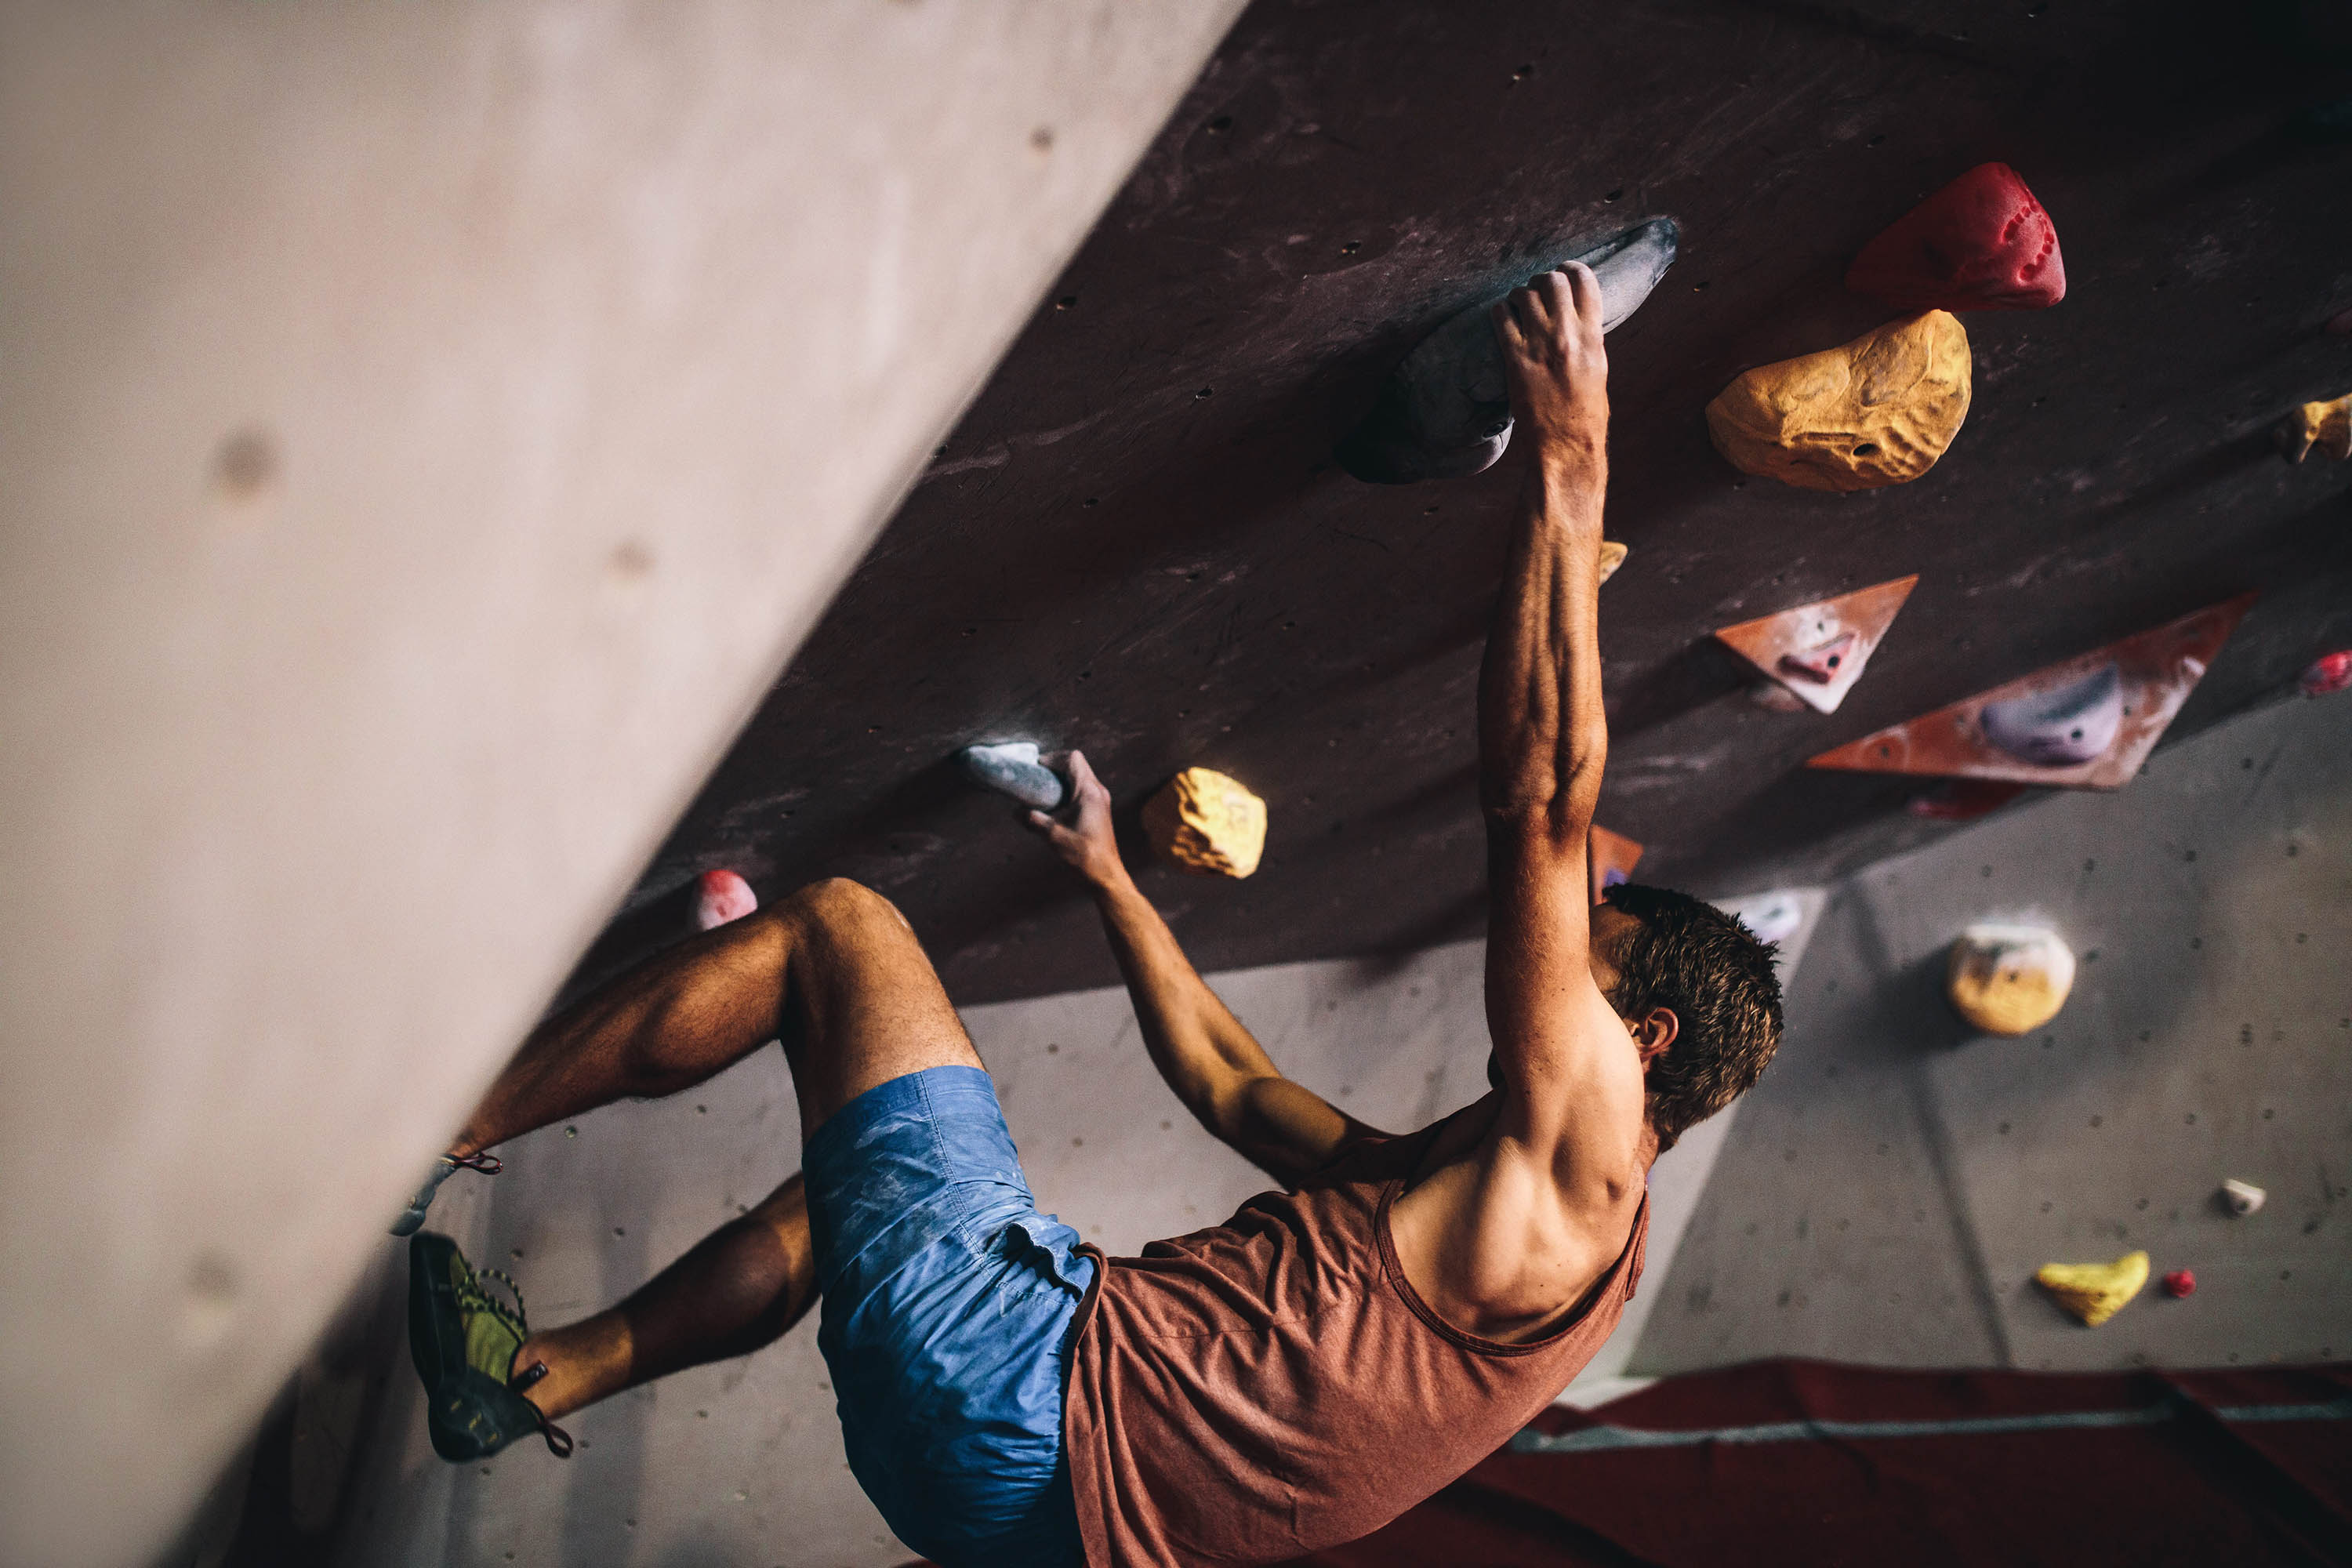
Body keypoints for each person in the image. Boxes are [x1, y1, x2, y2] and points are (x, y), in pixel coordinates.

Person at [398, 260, 1784, 1567]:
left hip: (1013, 1377)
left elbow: (1540, 806)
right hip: (993, 1512)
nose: (1554, 952)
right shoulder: (1514, 1221)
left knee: (840, 932)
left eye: (1589, 953)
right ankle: (530, 1381)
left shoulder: (1587, 1163)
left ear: (1647, 1037)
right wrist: (1118, 884)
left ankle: (418, 1146)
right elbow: (1239, 1092)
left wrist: (1572, 453)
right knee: (852, 1184)